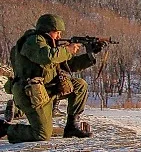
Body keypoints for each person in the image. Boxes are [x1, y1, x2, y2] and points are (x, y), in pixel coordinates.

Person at [0, 14, 104, 143]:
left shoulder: (51, 45)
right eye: (57, 32)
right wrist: (68, 50)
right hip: (31, 93)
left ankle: (72, 126)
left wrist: (90, 55)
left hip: (48, 89)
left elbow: (70, 65)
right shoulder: (33, 41)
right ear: (46, 30)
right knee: (41, 135)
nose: (59, 36)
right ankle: (5, 128)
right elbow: (47, 57)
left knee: (80, 85)